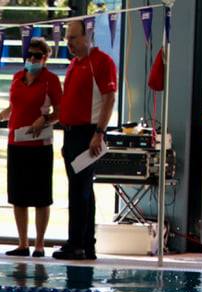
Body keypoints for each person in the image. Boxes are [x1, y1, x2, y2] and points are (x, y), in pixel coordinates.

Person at [0, 37, 61, 258]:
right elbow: (13, 107)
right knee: (18, 195)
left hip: (40, 144)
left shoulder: (50, 80)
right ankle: (23, 243)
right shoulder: (17, 77)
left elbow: (61, 112)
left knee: (41, 196)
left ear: (45, 59)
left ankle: (40, 245)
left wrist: (45, 120)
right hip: (16, 142)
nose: (32, 59)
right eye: (29, 55)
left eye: (37, 56)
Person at [53, 20, 117, 261]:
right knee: (81, 189)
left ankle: (77, 244)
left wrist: (99, 133)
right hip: (70, 134)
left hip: (88, 134)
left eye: (73, 38)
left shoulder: (101, 63)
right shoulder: (74, 64)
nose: (68, 42)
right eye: (67, 38)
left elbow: (110, 99)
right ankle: (85, 244)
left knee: (80, 191)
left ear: (87, 35)